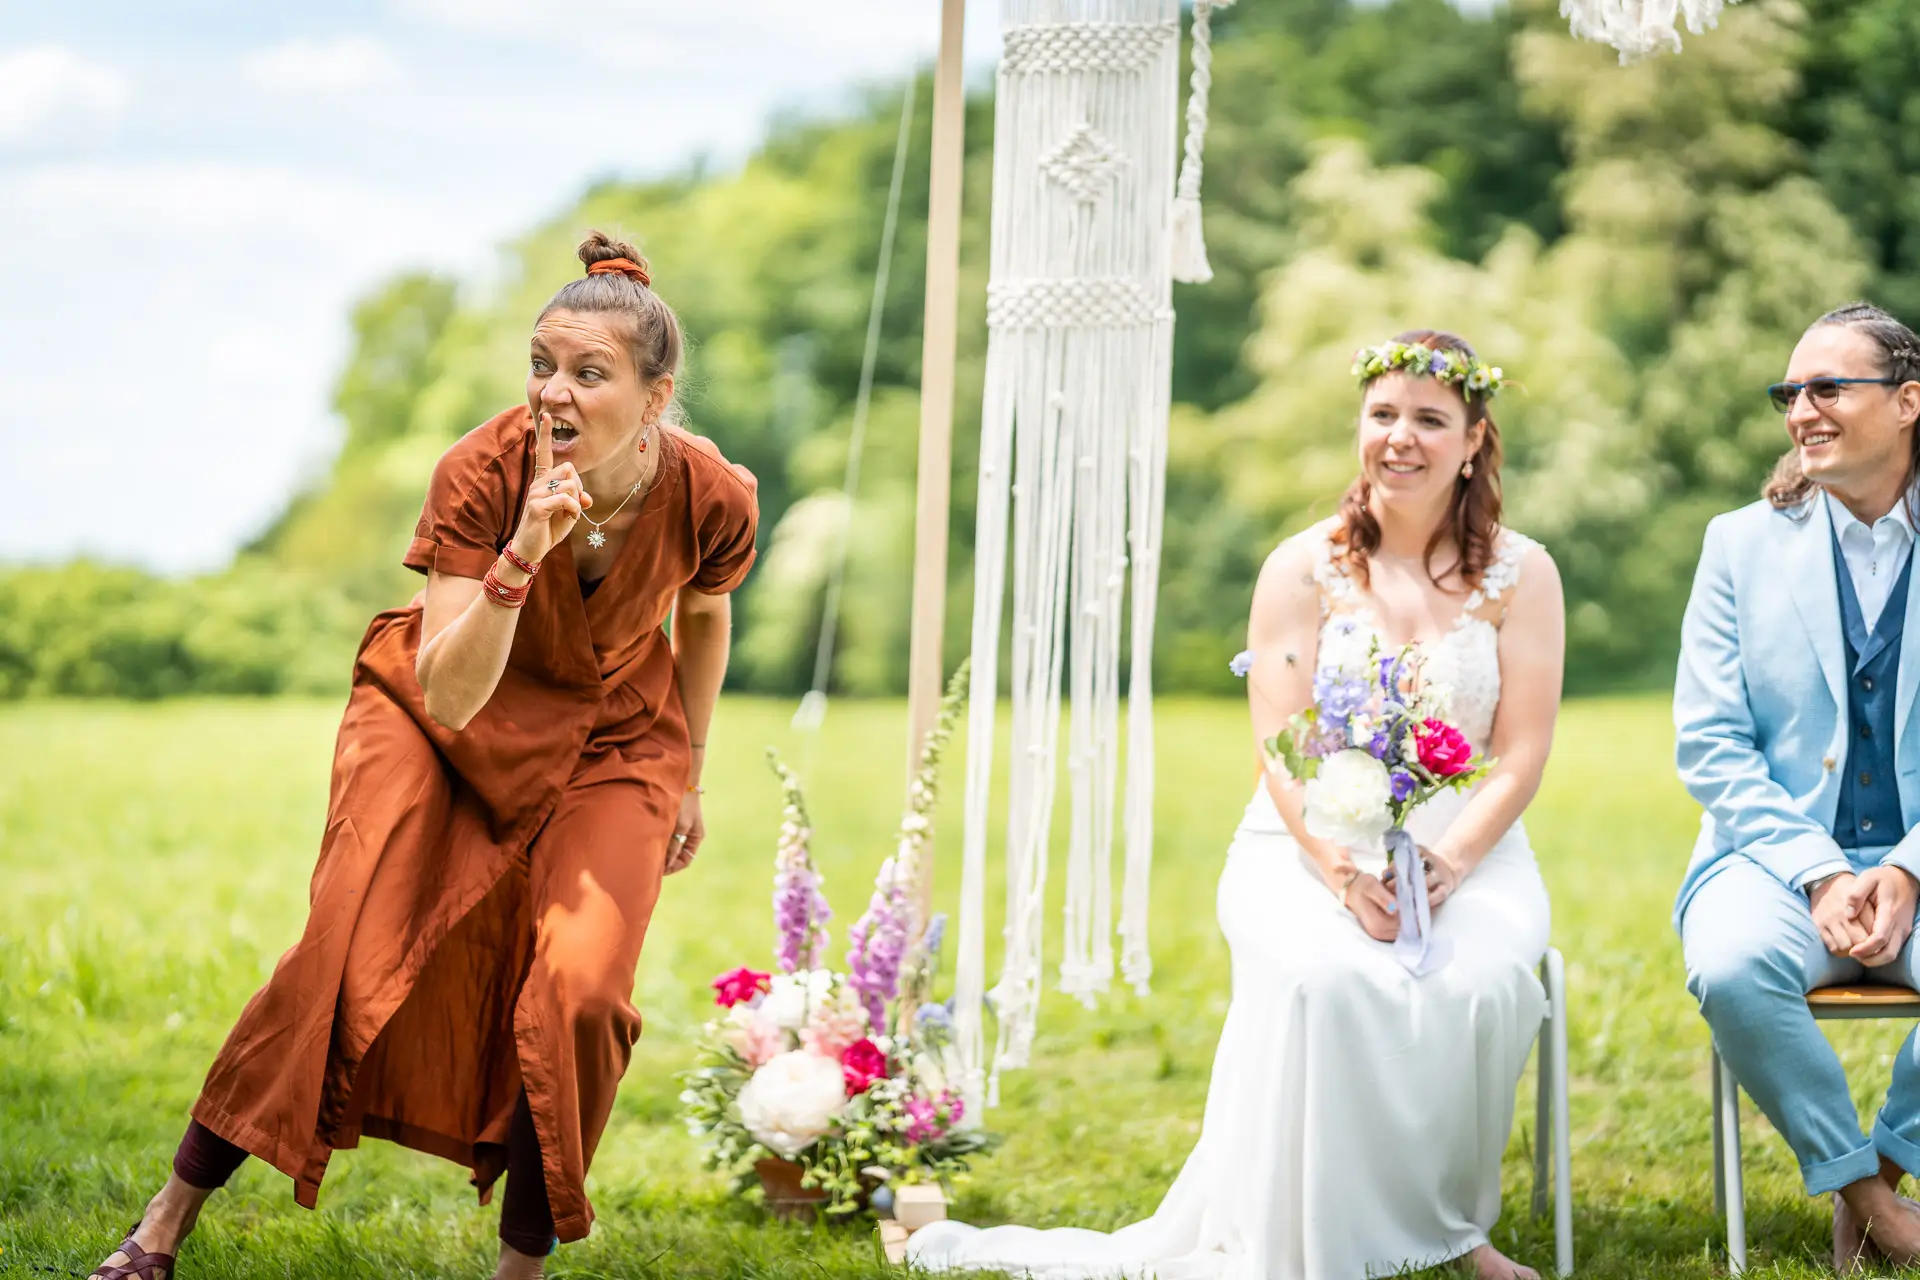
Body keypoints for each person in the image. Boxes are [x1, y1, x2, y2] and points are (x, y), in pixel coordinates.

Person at [86, 232, 759, 1280]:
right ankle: (164, 1221)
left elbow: (706, 612)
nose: (554, 392)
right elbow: (449, 691)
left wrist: (692, 775)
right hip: (438, 721)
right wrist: (522, 551)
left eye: (589, 373)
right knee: (343, 952)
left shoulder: (712, 494)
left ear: (656, 397)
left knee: (584, 991)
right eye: (541, 364)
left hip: (613, 735)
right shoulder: (481, 472)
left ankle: (519, 1269)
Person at [909, 330, 1565, 1280]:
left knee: (1483, 984)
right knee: (1326, 982)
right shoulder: (1303, 566)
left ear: (1472, 442)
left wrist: (1451, 863)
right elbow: (1281, 745)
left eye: (1430, 419)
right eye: (1383, 414)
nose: (1400, 437)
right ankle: (1318, 1231)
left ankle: (1456, 1233)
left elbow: (1524, 750)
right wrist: (1341, 872)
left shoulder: (1522, 573)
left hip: (1468, 847)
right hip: (1303, 845)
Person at [1676, 302, 1920, 1270]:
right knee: (1733, 965)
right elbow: (1711, 743)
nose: (1800, 410)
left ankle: (1887, 1167)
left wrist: (1907, 867)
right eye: (1790, 392)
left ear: (1908, 401)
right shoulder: (1738, 543)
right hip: (1772, 861)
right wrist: (1820, 870)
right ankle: (1871, 1202)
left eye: (1828, 388)